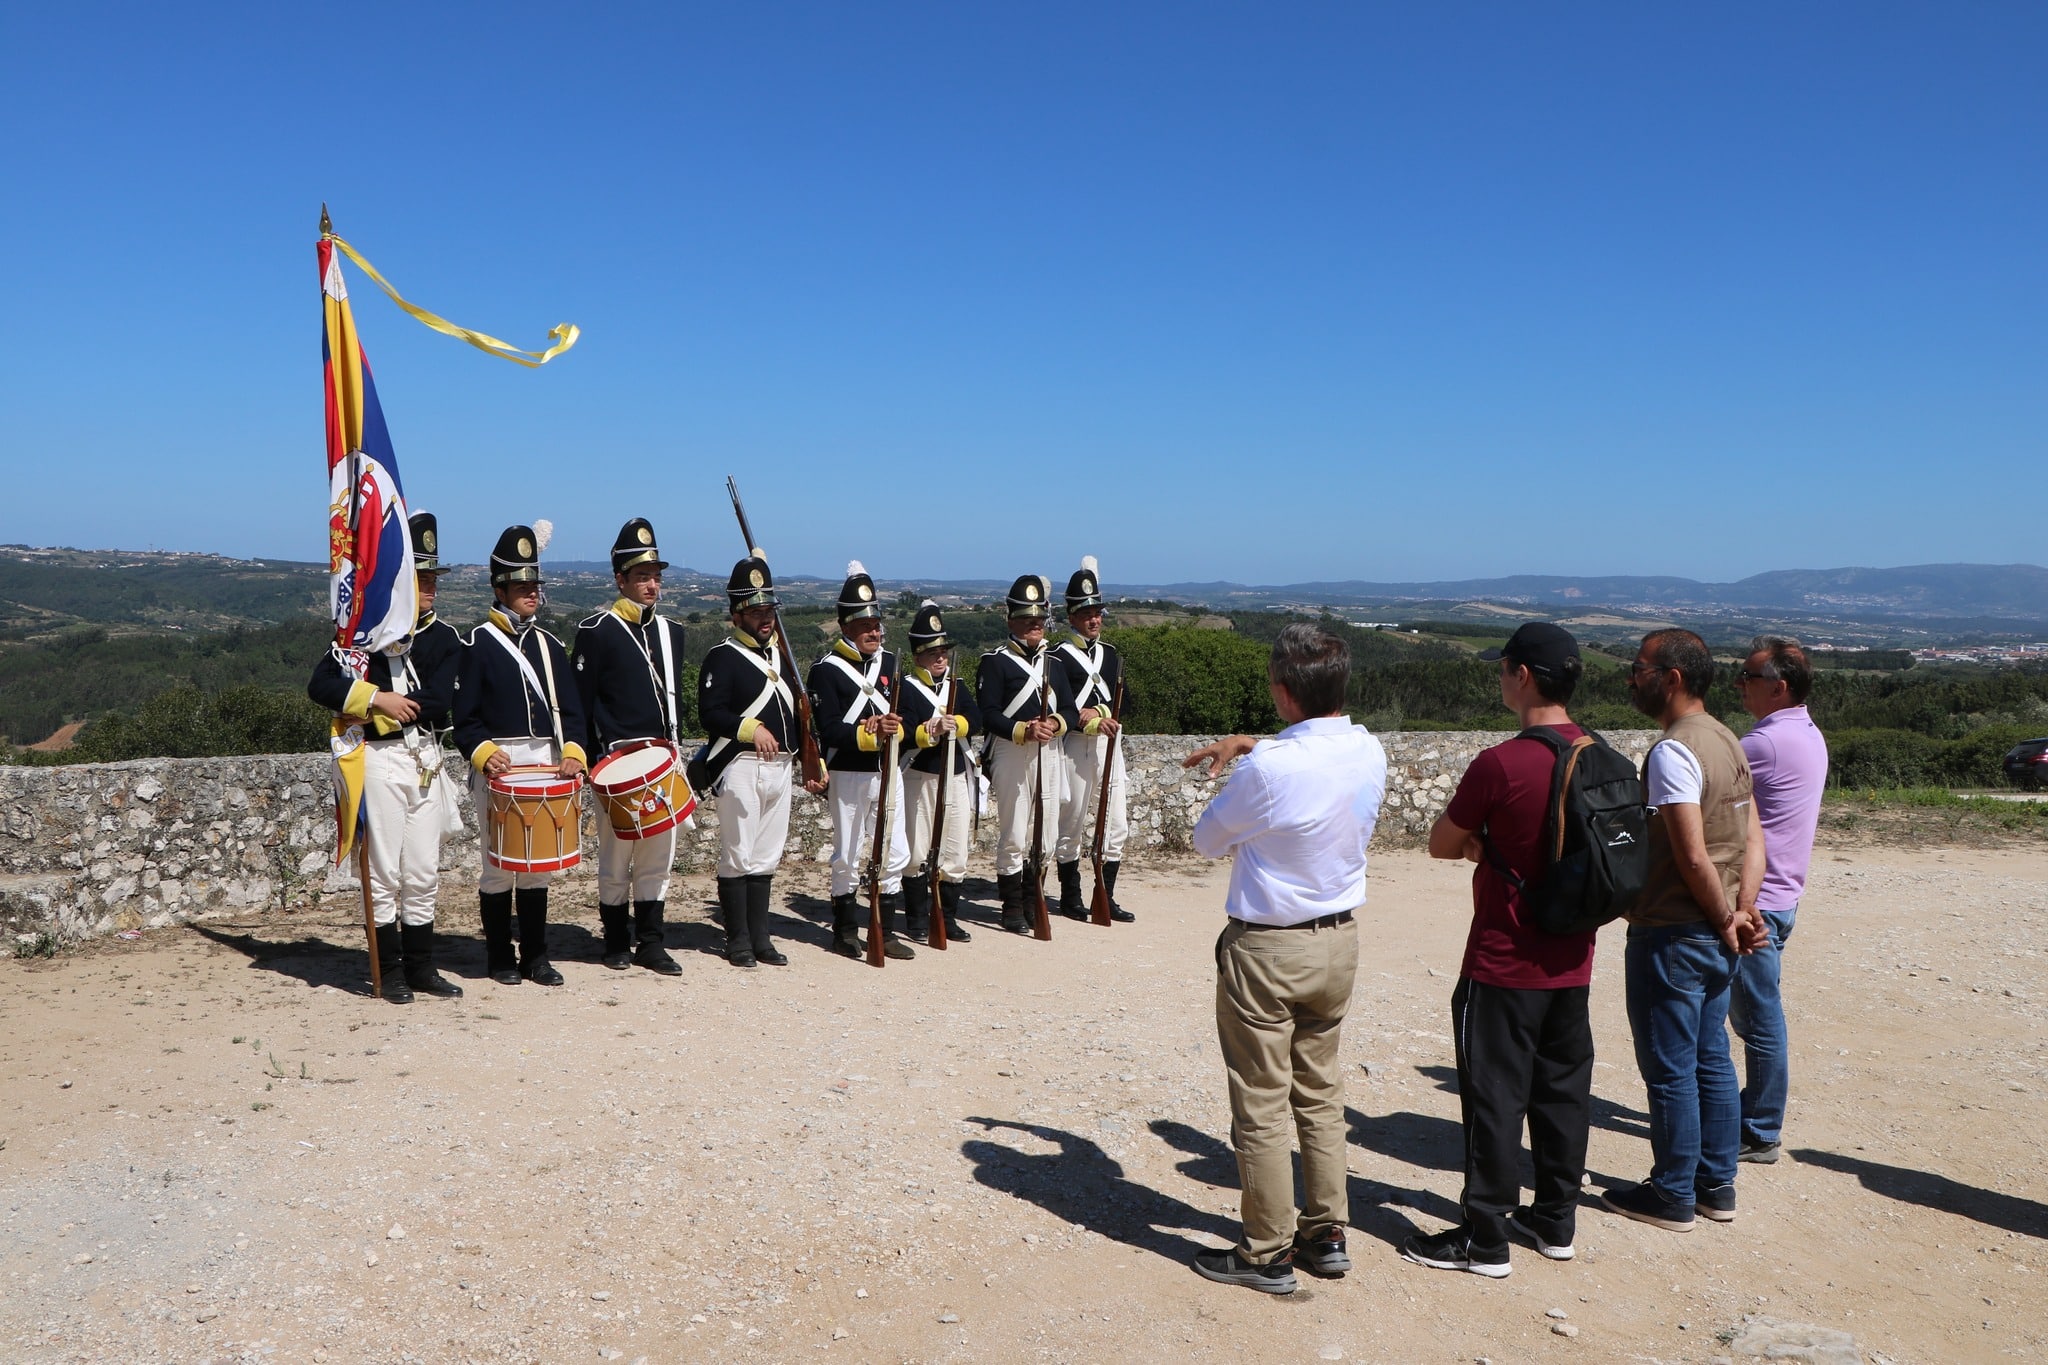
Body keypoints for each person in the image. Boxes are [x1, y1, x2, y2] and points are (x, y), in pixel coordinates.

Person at [1180, 623, 1388, 1294]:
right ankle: (1326, 1230)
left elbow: (1207, 839)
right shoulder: (1368, 749)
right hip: (1338, 941)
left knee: (1262, 1100)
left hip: (1269, 947)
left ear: (1280, 690)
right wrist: (1258, 744)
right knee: (1321, 1091)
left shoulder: (1268, 768)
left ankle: (1265, 1249)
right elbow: (1317, 754)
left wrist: (1249, 755)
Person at [1405, 622, 1597, 1278]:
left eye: (1504, 668)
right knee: (1563, 1092)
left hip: (1503, 959)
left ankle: (1484, 1236)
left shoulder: (1501, 763)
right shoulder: (1602, 757)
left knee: (1494, 1094)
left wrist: (1478, 842)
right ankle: (1555, 1219)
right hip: (1575, 962)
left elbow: (1439, 841)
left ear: (1522, 677)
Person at [1600, 628, 1766, 1232]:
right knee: (1712, 1060)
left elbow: (1692, 854)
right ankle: (1716, 1185)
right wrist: (1741, 914)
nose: (1630, 677)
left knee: (1670, 1068)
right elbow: (1753, 839)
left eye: (1638, 667)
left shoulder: (1674, 751)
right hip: (1716, 929)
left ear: (1671, 677)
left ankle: (1671, 1192)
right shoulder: (1728, 740)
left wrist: (1727, 919)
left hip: (1672, 930)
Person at [305, 510, 465, 1003]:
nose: (430, 587)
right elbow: (322, 685)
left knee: (421, 870)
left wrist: (397, 704)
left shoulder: (444, 639)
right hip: (376, 758)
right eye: (420, 578)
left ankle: (421, 967)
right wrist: (377, 699)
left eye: (433, 577)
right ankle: (390, 970)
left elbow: (440, 700)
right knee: (383, 872)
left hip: (424, 761)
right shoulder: (359, 637)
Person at [452, 522, 589, 987]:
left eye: (535, 585)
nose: (532, 594)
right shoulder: (476, 644)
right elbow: (465, 719)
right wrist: (483, 753)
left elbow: (572, 710)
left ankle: (535, 956)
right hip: (501, 763)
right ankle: (498, 957)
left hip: (546, 762)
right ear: (500, 589)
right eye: (522, 586)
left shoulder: (550, 645)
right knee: (497, 867)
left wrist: (573, 751)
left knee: (537, 871)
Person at [572, 517, 686, 977]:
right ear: (620, 579)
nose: (651, 585)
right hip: (615, 763)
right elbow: (581, 705)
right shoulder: (596, 631)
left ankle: (652, 942)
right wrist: (585, 760)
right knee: (616, 858)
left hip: (662, 760)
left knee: (659, 858)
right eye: (642, 576)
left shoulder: (672, 633)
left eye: (655, 576)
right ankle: (616, 938)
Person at [1730, 635, 1828, 1164]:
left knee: (1758, 1020)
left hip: (1757, 902)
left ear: (1779, 687)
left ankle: (1759, 1129)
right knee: (1756, 1014)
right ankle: (1751, 1113)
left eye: (1748, 676)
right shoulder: (1806, 733)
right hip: (1784, 895)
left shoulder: (1764, 743)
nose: (1739, 684)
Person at [696, 554, 813, 968]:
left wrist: (810, 760)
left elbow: (801, 714)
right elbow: (710, 713)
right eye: (756, 611)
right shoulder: (722, 657)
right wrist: (750, 728)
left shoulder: (783, 659)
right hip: (741, 764)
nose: (765, 619)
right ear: (737, 615)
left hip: (781, 766)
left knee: (766, 855)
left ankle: (762, 939)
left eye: (769, 611)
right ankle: (739, 940)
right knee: (738, 854)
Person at [807, 562, 915, 961]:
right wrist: (869, 731)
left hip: (889, 770)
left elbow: (910, 717)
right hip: (849, 772)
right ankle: (846, 931)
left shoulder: (891, 665)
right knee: (848, 853)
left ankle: (883, 932)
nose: (874, 631)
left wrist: (894, 729)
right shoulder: (826, 671)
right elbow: (830, 729)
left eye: (876, 623)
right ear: (845, 627)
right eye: (864, 624)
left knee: (893, 850)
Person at [975, 575, 1080, 934]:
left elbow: (1069, 709)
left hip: (1050, 751)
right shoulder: (995, 663)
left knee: (1047, 834)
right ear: (1011, 621)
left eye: (1038, 619)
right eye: (1026, 619)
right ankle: (1012, 907)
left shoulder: (1056, 662)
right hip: (1012, 751)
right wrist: (1023, 729)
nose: (1034, 625)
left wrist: (1054, 724)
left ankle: (1035, 901)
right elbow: (986, 715)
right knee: (1016, 833)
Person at [895, 599, 983, 944]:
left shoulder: (957, 687)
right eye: (933, 652)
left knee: (955, 851)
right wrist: (929, 730)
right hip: (920, 775)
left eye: (943, 650)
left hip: (956, 775)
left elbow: (976, 720)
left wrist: (956, 723)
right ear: (918, 655)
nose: (941, 657)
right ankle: (917, 919)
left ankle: (948, 917)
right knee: (917, 853)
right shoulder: (905, 689)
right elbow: (902, 734)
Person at [1053, 556, 1134, 923]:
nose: (1094, 619)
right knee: (1071, 821)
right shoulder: (1058, 658)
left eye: (1097, 611)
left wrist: (1099, 714)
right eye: (1086, 613)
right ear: (1072, 616)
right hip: (1074, 748)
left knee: (1115, 822)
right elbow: (1064, 707)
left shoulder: (1111, 655)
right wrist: (1087, 715)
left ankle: (1107, 895)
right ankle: (1070, 897)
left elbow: (1125, 703)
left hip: (1108, 745)